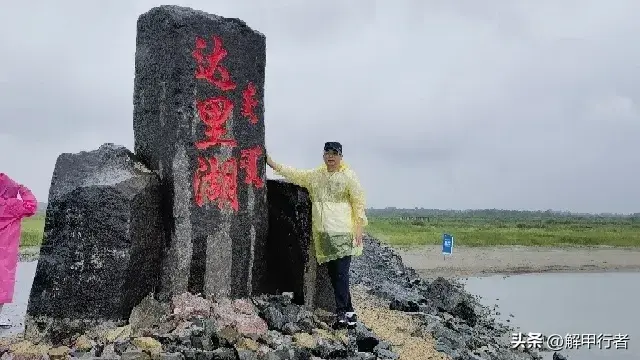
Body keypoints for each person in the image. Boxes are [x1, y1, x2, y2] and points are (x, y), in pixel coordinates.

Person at [266, 142, 368, 329]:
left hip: (343, 233)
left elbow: (358, 201)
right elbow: (295, 174)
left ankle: (341, 314)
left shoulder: (348, 176)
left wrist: (359, 227)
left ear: (341, 157)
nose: (331, 157)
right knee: (335, 275)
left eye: (335, 153)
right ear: (323, 156)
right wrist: (272, 163)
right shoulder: (316, 176)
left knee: (341, 274)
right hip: (324, 235)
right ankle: (350, 312)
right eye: (328, 153)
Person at [0, 173, 38, 328]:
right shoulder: (13, 205)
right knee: (3, 283)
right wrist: (23, 189)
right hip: (5, 252)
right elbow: (31, 206)